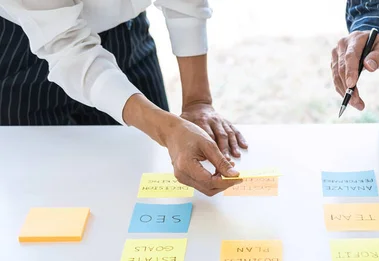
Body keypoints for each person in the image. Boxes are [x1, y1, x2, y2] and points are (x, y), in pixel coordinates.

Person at [0, 1, 246, 196]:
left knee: (144, 186)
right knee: (43, 196)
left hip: (128, 32)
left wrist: (197, 102)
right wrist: (168, 129)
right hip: (29, 46)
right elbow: (67, 49)